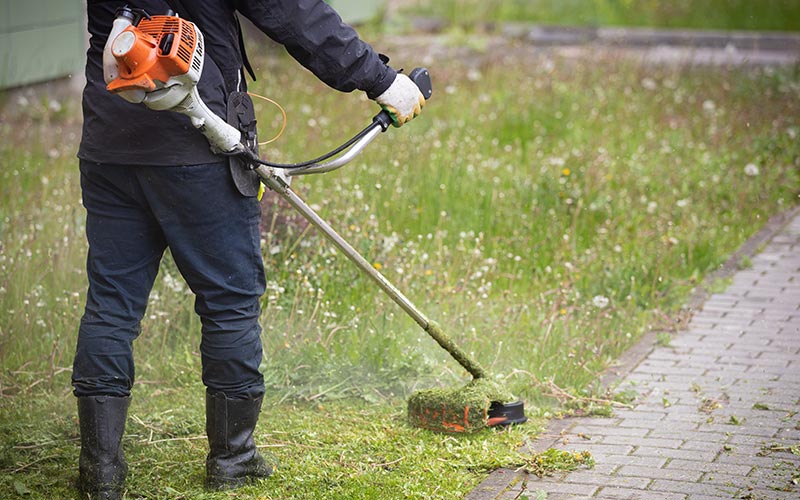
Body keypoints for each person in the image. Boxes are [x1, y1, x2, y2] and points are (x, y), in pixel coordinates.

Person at [74, 1, 425, 498]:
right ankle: (233, 457)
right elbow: (291, 12)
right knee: (229, 301)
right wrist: (381, 79)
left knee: (110, 305)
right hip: (197, 143)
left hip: (111, 141)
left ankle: (100, 471)